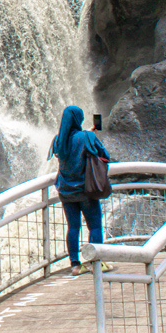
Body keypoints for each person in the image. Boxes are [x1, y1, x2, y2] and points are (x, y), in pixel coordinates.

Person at [50, 105, 110, 275]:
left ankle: (75, 265)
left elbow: (70, 146)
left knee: (73, 227)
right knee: (95, 226)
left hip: (65, 191)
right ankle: (95, 263)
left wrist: (87, 134)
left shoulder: (57, 141)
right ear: (78, 119)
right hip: (85, 191)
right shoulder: (87, 137)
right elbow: (105, 156)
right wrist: (91, 136)